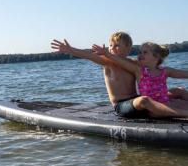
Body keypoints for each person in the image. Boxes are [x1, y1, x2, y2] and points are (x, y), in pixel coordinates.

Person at [51, 32, 188, 119]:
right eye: (110, 45)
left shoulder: (135, 63)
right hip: (122, 106)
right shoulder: (107, 62)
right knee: (144, 100)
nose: (111, 48)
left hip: (136, 101)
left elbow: (154, 66)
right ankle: (183, 114)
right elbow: (88, 55)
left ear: (128, 48)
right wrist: (69, 50)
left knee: (178, 91)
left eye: (117, 45)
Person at [92, 42, 188, 118]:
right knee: (145, 100)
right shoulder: (139, 71)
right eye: (140, 52)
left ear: (156, 56)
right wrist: (106, 54)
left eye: (145, 52)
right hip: (152, 110)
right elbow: (120, 61)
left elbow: (184, 74)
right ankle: (184, 114)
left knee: (180, 90)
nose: (140, 54)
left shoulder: (165, 71)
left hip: (164, 101)